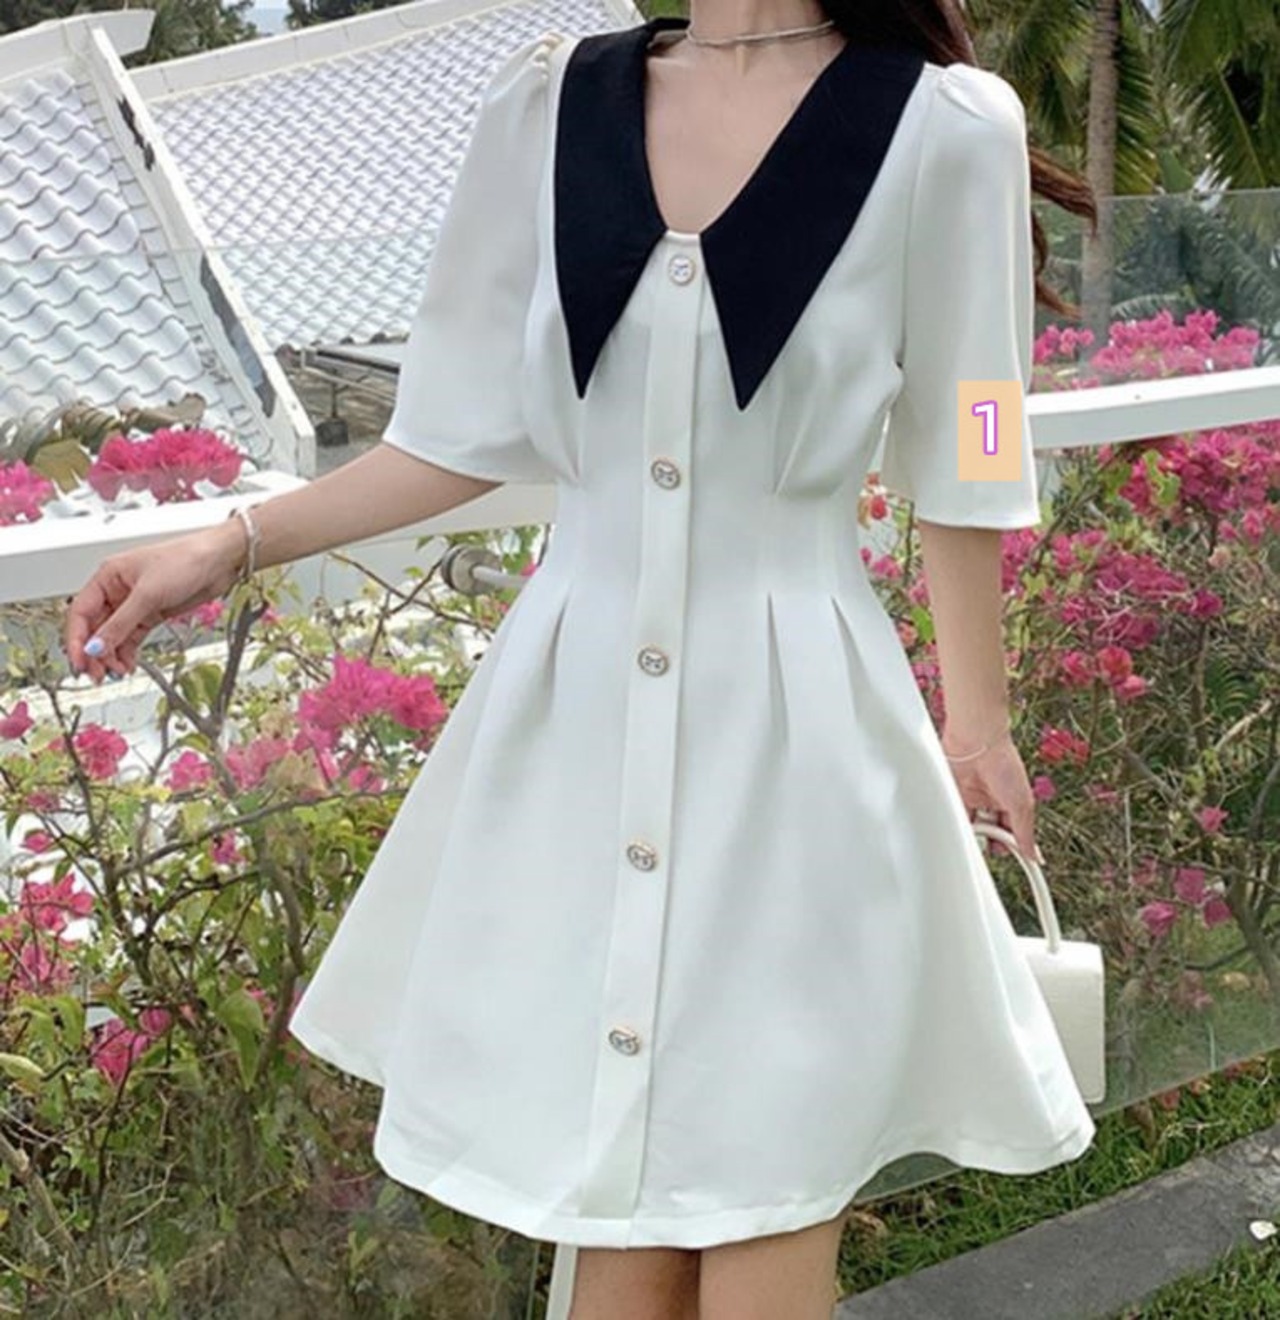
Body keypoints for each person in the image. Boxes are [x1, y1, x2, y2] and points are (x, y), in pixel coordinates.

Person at [64, 2, 1102, 1316]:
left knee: (766, 1190)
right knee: (622, 1206)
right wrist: (231, 543)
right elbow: (450, 435)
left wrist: (979, 726)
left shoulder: (944, 128)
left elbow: (974, 443)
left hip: (799, 746)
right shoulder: (551, 106)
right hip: (575, 733)